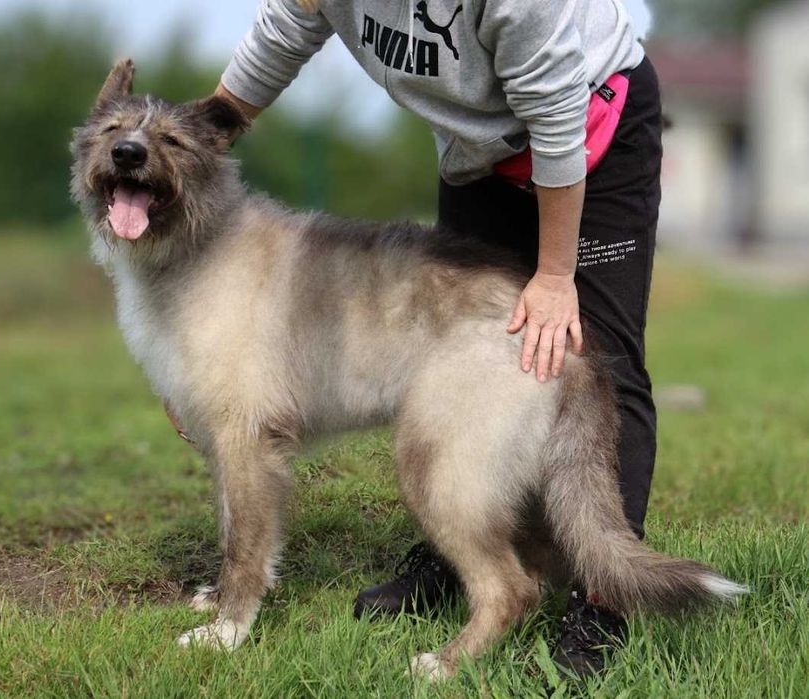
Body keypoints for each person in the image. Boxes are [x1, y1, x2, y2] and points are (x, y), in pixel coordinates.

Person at [212, 0, 662, 677]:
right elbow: (276, 42)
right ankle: (459, 551)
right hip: (480, 152)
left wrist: (554, 272)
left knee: (589, 352)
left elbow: (556, 112)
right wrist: (179, 149)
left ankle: (605, 595)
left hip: (588, 129)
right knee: (466, 357)